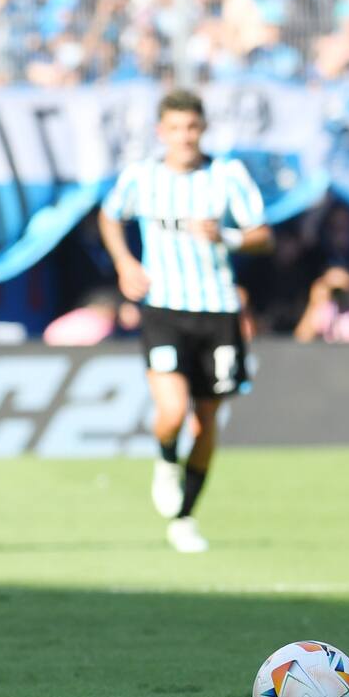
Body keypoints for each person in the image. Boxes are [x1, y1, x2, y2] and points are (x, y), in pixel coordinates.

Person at [99, 89, 273, 553]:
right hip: (164, 307)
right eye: (175, 129)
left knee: (206, 418)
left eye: (192, 128)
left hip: (217, 310)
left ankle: (184, 517)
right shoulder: (141, 177)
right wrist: (124, 263)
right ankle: (163, 461)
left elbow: (263, 234)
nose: (184, 137)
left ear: (203, 129)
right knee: (172, 410)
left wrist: (229, 237)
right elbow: (109, 216)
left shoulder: (226, 174)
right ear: (161, 132)